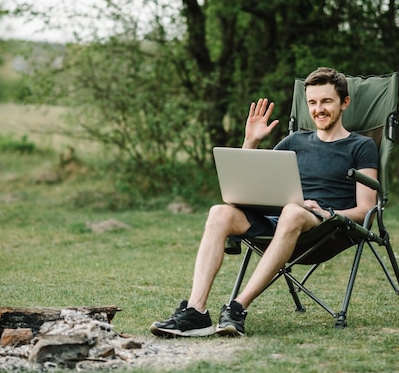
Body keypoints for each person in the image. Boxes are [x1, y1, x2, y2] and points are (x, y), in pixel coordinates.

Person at [150, 67, 379, 337]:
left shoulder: (361, 146)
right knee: (219, 212)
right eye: (313, 102)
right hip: (279, 221)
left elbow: (366, 210)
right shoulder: (294, 140)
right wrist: (251, 141)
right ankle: (195, 312)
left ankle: (237, 308)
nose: (319, 109)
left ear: (344, 103)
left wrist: (327, 213)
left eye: (327, 101)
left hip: (326, 228)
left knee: (293, 212)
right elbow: (248, 184)